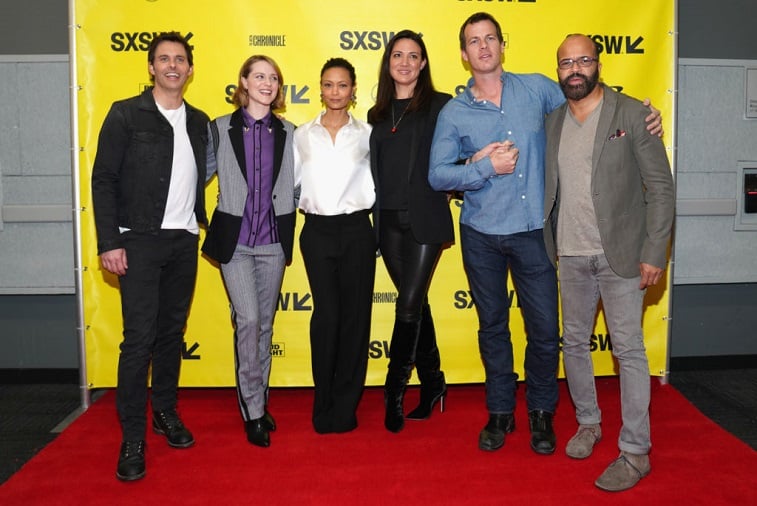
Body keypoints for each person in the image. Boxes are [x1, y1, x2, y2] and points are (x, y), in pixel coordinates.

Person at [428, 12, 662, 455]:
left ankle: (541, 412)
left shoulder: (538, 88)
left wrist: (644, 116)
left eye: (490, 38)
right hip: (481, 234)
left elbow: (590, 102)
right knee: (492, 327)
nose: (483, 47)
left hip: (536, 231)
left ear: (503, 45)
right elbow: (438, 175)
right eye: (474, 41)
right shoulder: (454, 112)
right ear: (463, 54)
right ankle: (500, 411)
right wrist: (481, 167)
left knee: (544, 331)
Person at [543, 34, 675, 491]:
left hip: (622, 256)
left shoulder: (633, 114)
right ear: (558, 71)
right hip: (570, 253)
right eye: (566, 63)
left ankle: (636, 451)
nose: (575, 69)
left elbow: (661, 189)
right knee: (575, 345)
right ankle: (588, 423)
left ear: (598, 64)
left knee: (629, 351)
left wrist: (654, 252)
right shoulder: (552, 122)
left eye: (583, 60)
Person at [91, 32, 209, 481]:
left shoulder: (198, 121)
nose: (172, 65)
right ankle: (132, 436)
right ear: (151, 67)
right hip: (137, 239)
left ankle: (164, 411)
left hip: (183, 239)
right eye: (164, 59)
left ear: (190, 69)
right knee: (138, 340)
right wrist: (109, 241)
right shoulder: (125, 114)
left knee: (171, 333)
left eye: (180, 59)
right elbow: (103, 179)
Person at [201, 55, 296, 448]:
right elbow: (197, 175)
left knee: (265, 325)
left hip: (273, 241)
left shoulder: (290, 132)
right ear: (243, 81)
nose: (267, 83)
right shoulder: (220, 128)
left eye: (273, 77)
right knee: (249, 320)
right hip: (235, 243)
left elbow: (300, 182)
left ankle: (260, 399)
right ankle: (253, 411)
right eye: (259, 76)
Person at [367, 30, 454, 433]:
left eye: (413, 55)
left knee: (407, 307)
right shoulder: (377, 114)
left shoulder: (441, 105)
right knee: (415, 303)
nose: (405, 62)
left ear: (423, 64)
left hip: (425, 219)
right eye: (397, 55)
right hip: (387, 222)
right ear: (388, 63)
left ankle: (394, 391)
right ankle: (434, 380)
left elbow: (462, 147)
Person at [294, 57, 376, 434]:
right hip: (316, 231)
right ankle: (323, 400)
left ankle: (345, 406)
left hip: (357, 229)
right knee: (326, 317)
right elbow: (290, 186)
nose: (335, 92)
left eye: (342, 85)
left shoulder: (368, 134)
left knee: (356, 319)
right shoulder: (301, 135)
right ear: (320, 88)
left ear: (353, 89)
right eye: (328, 84)